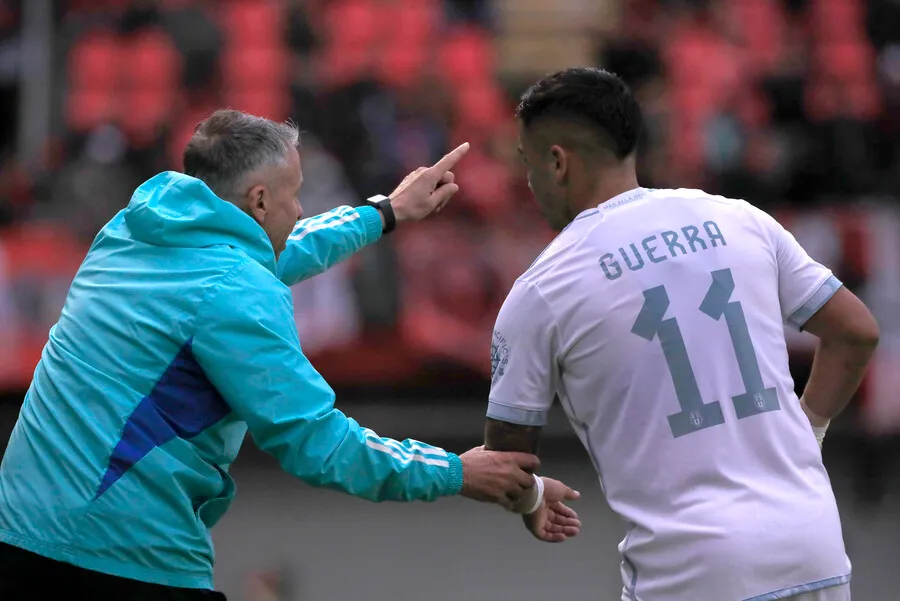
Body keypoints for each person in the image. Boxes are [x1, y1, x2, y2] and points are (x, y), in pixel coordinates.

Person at [0, 109, 580, 600]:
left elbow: (266, 254)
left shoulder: (133, 231)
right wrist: (457, 472)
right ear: (258, 200)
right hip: (118, 551)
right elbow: (317, 444)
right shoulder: (235, 292)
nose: (300, 209)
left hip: (21, 528)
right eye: (293, 195)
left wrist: (384, 213)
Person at [482, 68, 880, 601]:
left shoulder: (543, 288)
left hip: (691, 573)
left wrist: (530, 500)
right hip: (815, 549)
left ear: (557, 162)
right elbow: (856, 333)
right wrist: (806, 432)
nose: (529, 182)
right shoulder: (741, 220)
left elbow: (505, 463)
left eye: (529, 164)